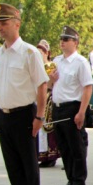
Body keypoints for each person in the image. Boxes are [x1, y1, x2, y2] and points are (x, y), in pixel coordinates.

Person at [0, 4, 48, 185]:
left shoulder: (29, 52)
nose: (1, 28)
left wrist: (39, 117)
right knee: (12, 166)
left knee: (28, 165)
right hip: (4, 115)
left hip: (24, 114)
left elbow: (41, 86)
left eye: (5, 23)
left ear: (17, 24)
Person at [49, 26, 93, 185]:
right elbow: (49, 85)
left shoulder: (80, 62)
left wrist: (82, 112)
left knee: (76, 146)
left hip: (72, 107)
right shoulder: (57, 61)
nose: (62, 42)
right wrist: (50, 80)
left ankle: (79, 181)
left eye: (66, 39)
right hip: (58, 107)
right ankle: (70, 179)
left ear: (75, 42)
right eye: (61, 39)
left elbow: (87, 87)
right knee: (64, 146)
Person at [35, 40, 60, 168]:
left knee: (48, 128)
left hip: (48, 97)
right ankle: (41, 155)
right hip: (37, 98)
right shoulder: (35, 66)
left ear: (46, 53)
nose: (39, 55)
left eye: (42, 52)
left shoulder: (51, 66)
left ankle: (50, 156)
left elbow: (52, 83)